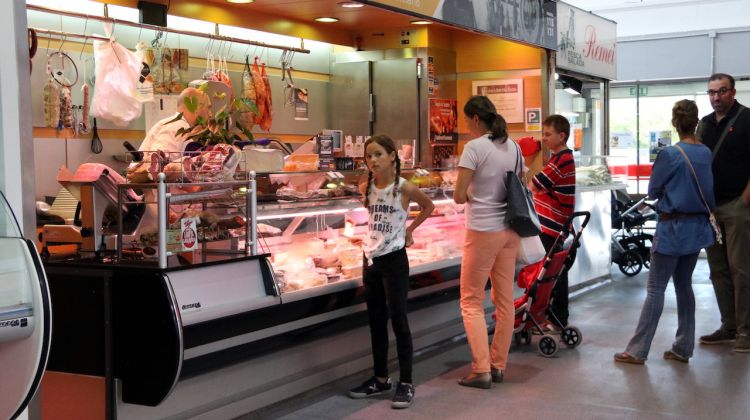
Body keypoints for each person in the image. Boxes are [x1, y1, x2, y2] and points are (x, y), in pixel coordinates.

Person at [614, 99, 716, 364]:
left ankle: (637, 350)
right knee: (684, 286)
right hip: (696, 229)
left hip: (672, 229)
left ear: (675, 122)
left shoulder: (670, 154)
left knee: (656, 288)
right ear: (696, 123)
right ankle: (683, 347)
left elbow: (653, 191)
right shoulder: (705, 152)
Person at [348, 135, 435, 409]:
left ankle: (406, 382)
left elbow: (428, 206)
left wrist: (409, 230)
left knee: (399, 320)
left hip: (395, 260)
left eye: (378, 155)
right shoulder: (367, 186)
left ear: (392, 157)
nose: (372, 160)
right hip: (371, 260)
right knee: (376, 322)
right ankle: (381, 378)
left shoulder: (404, 188)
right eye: (368, 156)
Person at [454, 95, 520, 389]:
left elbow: (458, 195)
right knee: (505, 301)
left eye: (467, 121)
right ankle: (499, 366)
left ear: (476, 119)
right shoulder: (514, 146)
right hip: (510, 230)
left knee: (471, 301)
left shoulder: (474, 148)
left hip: (482, 231)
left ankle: (480, 369)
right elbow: (522, 185)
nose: (467, 126)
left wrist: (471, 195)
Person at [696, 73, 750, 352]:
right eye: (712, 92)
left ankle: (746, 331)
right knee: (718, 269)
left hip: (737, 206)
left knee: (741, 268)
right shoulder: (704, 125)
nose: (717, 97)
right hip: (711, 208)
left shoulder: (746, 119)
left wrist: (744, 200)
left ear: (733, 92)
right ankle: (728, 326)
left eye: (722, 91)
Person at [528, 115, 576, 331]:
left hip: (553, 227)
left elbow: (536, 184)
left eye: (548, 134)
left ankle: (557, 318)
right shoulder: (559, 158)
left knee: (554, 273)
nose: (544, 139)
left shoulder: (562, 159)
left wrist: (534, 181)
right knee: (553, 271)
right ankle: (553, 316)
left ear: (561, 135)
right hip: (553, 226)